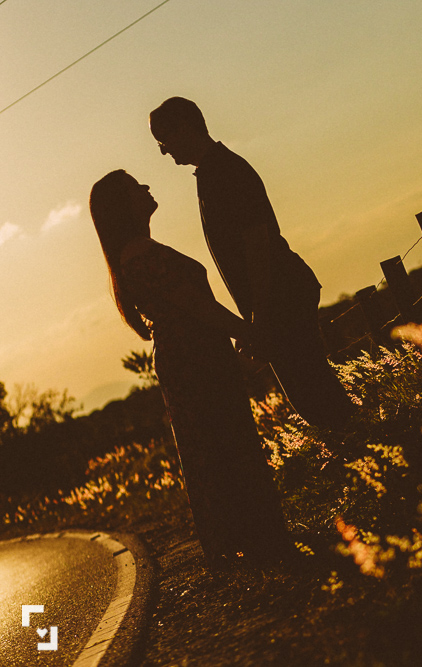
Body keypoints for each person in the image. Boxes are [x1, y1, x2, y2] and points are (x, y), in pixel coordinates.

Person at [90, 169, 292, 569]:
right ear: (122, 206)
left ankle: (249, 538)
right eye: (135, 187)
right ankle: (258, 539)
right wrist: (248, 331)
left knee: (218, 442)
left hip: (194, 354)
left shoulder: (139, 251)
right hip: (192, 357)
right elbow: (194, 305)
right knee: (224, 440)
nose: (146, 186)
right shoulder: (140, 256)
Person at [148, 97, 353, 431]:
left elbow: (257, 243)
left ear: (184, 129)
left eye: (163, 140)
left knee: (317, 401)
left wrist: (259, 316)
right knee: (315, 398)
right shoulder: (212, 171)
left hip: (280, 299)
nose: (163, 151)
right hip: (276, 301)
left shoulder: (224, 171)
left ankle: (380, 457)